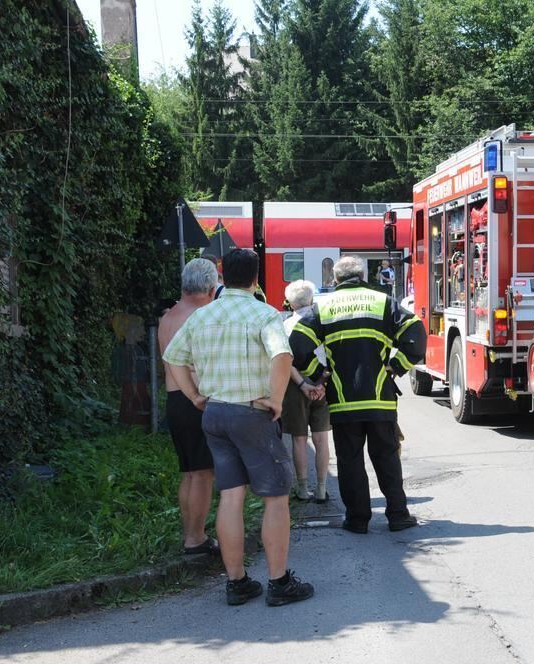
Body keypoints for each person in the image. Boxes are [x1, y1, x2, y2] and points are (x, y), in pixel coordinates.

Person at [163, 248, 314, 607]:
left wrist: (195, 396)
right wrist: (277, 399)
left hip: (214, 414)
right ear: (256, 278)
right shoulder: (264, 314)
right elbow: (282, 355)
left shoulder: (202, 316)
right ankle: (278, 582)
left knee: (231, 496)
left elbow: (173, 358)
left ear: (222, 278)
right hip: (252, 414)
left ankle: (237, 583)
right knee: (275, 497)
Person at [290, 255, 427, 534]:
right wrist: (396, 366)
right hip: (380, 398)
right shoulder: (383, 302)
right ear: (363, 275)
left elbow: (297, 344)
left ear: (336, 280)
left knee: (350, 461)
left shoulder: (324, 307)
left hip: (343, 402)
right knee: (387, 457)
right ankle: (398, 516)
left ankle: (357, 519)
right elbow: (416, 336)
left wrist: (319, 375)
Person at [157, 258, 219, 556]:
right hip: (195, 399)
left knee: (189, 472)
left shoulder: (168, 316)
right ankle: (196, 538)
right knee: (203, 473)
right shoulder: (200, 317)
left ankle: (191, 532)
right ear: (210, 287)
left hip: (174, 400)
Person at [281, 280, 331, 503]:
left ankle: (302, 488)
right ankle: (321, 489)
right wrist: (321, 384)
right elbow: (330, 357)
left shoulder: (284, 326)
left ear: (290, 304)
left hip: (295, 385)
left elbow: (285, 360)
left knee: (299, 439)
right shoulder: (324, 323)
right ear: (311, 300)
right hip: (322, 385)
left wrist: (302, 385)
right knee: (321, 439)